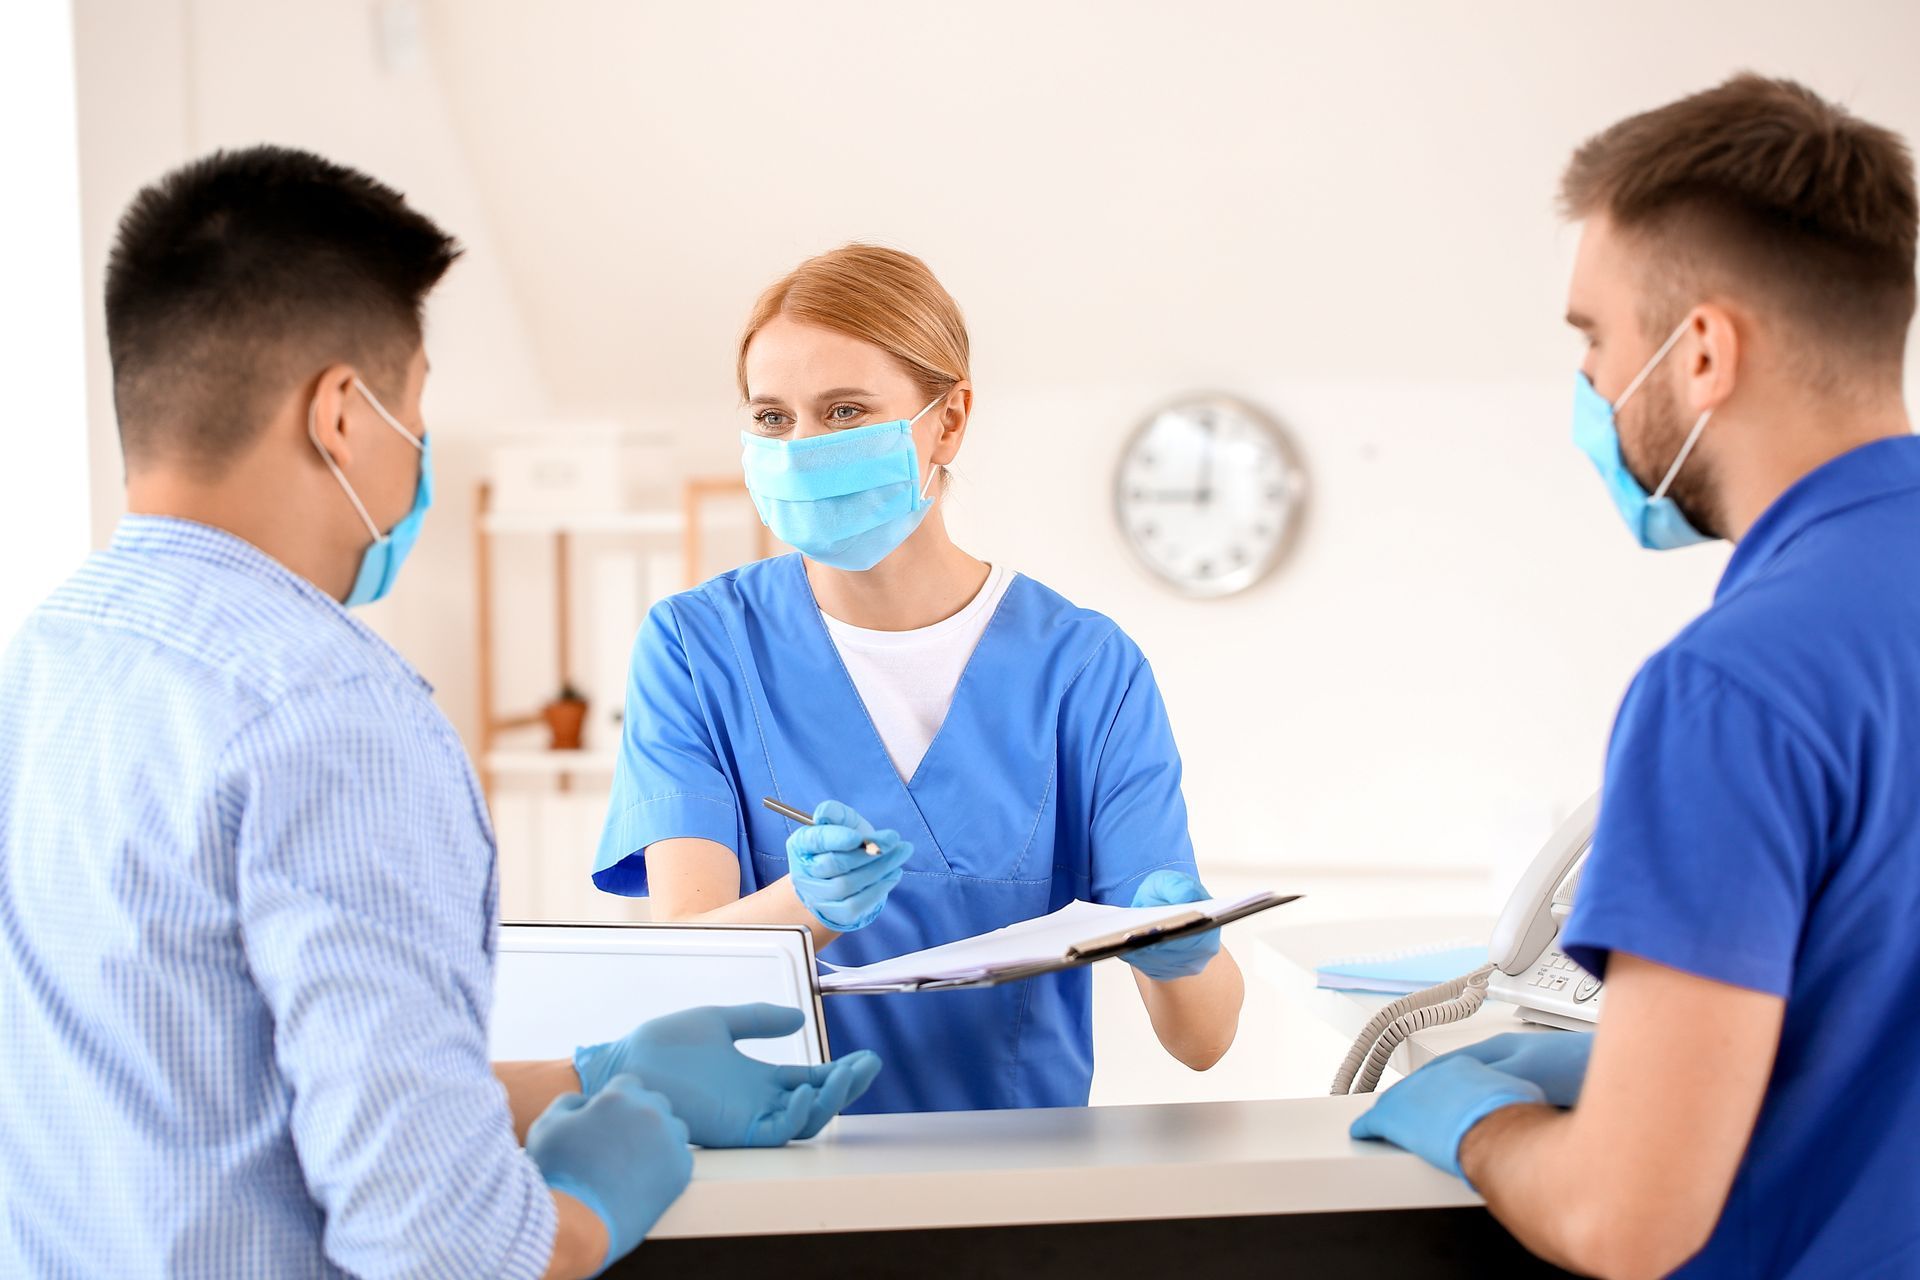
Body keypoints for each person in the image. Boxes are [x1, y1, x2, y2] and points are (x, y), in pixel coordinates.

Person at [0, 145, 878, 1280]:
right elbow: (440, 1246)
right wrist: (592, 1201)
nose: (419, 451)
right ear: (341, 413)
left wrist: (594, 1072)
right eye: (416, 408)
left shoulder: (46, 662)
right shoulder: (333, 714)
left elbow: (223, 1096)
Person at [1351, 75, 1920, 1278]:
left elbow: (1625, 1216)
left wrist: (1472, 1116)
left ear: (1702, 349)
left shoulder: (1735, 685)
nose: (1594, 386)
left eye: (1594, 337)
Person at [592, 245, 1245, 1114]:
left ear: (949, 420)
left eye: (845, 411)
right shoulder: (698, 647)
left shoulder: (1084, 669)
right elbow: (680, 973)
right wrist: (804, 906)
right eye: (774, 419)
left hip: (1018, 1195)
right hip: (777, 1168)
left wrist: (1183, 954)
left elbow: (1202, 1042)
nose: (803, 449)